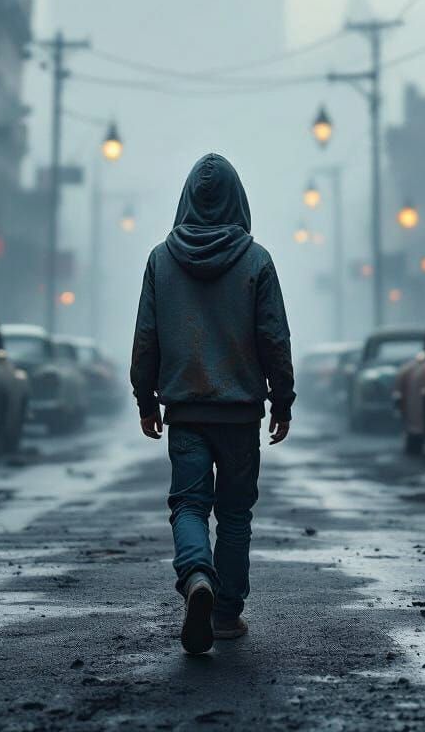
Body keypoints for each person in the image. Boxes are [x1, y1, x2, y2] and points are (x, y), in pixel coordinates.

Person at [130, 153, 295, 655]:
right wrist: (282, 400)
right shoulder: (256, 260)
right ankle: (225, 614)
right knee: (236, 514)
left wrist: (145, 398)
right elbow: (274, 337)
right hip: (240, 412)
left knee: (188, 504)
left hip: (186, 410)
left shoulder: (161, 260)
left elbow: (146, 336)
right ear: (237, 200)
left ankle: (197, 575)